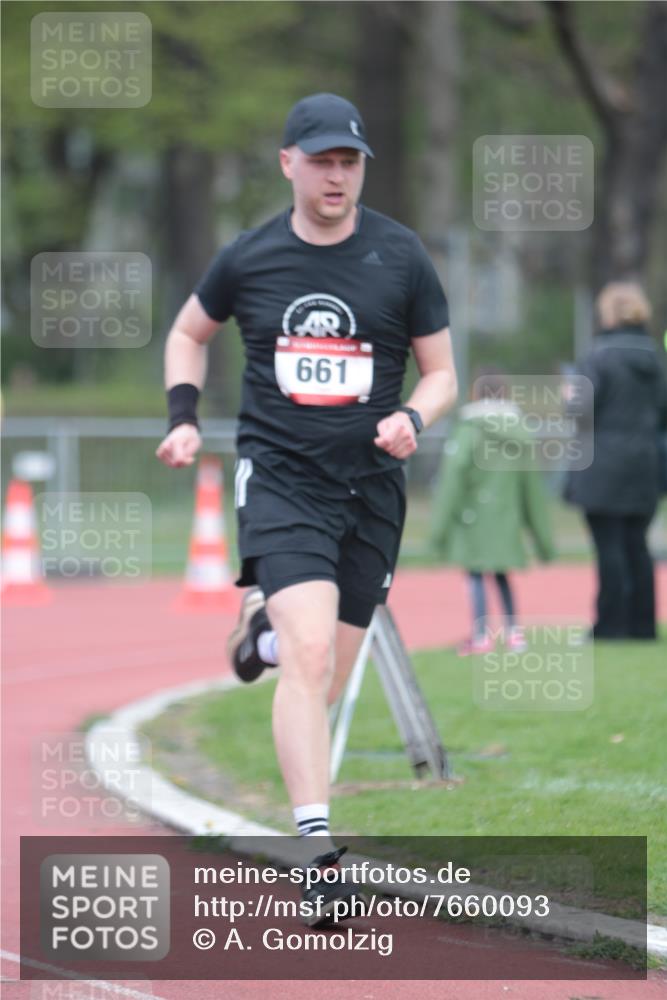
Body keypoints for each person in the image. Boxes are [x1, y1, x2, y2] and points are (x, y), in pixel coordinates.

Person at [156, 93, 458, 920]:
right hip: (282, 480)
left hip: (370, 491)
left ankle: (259, 626)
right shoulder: (248, 258)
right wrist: (183, 420)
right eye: (320, 160)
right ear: (288, 162)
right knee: (312, 653)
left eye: (348, 161)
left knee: (318, 678)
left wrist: (410, 416)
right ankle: (318, 853)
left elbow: (441, 374)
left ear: (362, 167)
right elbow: (187, 334)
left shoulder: (400, 256)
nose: (335, 175)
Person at [564, 282, 667, 640]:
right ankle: (642, 626)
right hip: (645, 465)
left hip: (602, 465)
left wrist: (569, 396)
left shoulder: (599, 356)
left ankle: (611, 626)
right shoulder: (656, 358)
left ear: (607, 312)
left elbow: (580, 412)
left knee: (609, 547)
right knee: (637, 546)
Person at [430, 369, 555, 655]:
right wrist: (543, 540)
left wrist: (438, 531)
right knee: (502, 574)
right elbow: (532, 489)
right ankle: (514, 634)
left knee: (475, 574)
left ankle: (480, 634)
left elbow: (452, 480)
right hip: (507, 518)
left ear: (475, 395)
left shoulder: (469, 429)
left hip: (473, 518)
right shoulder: (520, 433)